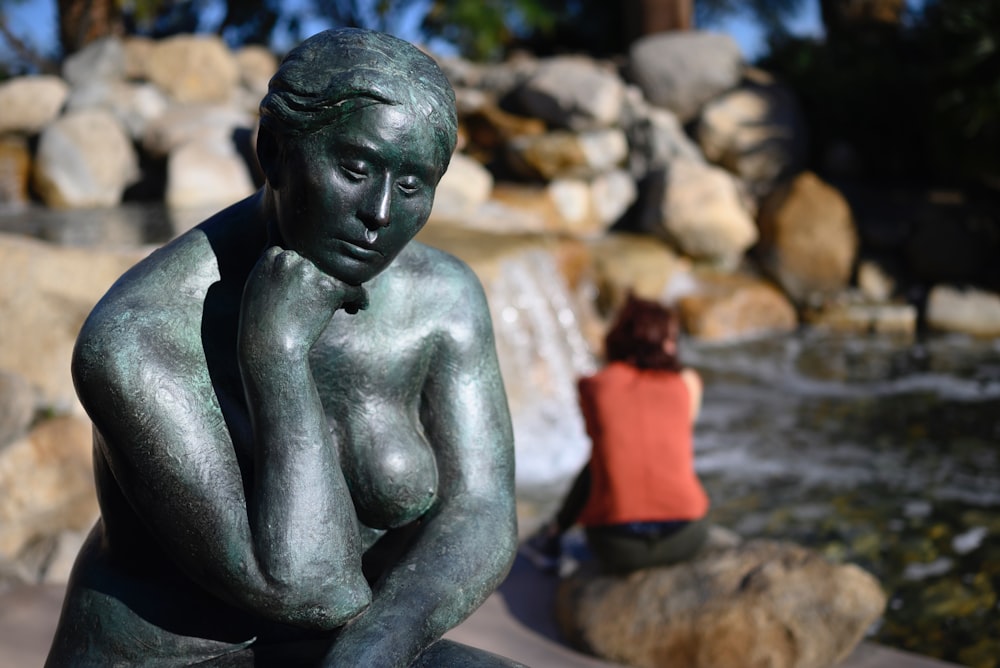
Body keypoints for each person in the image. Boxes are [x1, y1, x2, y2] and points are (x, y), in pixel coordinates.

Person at [46, 28, 521, 667]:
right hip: (171, 656)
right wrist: (276, 352)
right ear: (275, 151)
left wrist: (375, 646)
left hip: (341, 645)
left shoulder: (443, 298)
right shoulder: (139, 337)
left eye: (413, 185)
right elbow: (311, 589)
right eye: (355, 169)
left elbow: (481, 508)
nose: (380, 213)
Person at [524, 293, 708, 575]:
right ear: (656, 339)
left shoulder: (594, 386)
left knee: (599, 461)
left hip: (618, 545)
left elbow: (601, 446)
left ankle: (553, 535)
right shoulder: (688, 383)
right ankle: (554, 533)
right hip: (685, 538)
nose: (675, 345)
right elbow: (677, 439)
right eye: (670, 337)